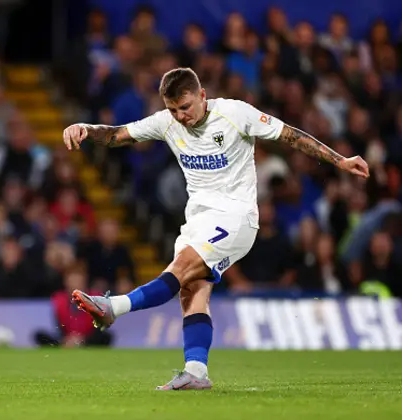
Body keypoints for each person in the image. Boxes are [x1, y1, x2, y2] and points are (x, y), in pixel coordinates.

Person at [62, 67, 369, 390]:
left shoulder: (235, 113)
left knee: (180, 269)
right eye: (173, 110)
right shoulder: (166, 122)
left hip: (236, 217)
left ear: (202, 95)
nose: (180, 116)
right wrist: (85, 127)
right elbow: (115, 135)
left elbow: (291, 135)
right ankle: (196, 371)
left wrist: (340, 161)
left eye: (186, 107)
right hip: (198, 218)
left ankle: (114, 307)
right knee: (191, 290)